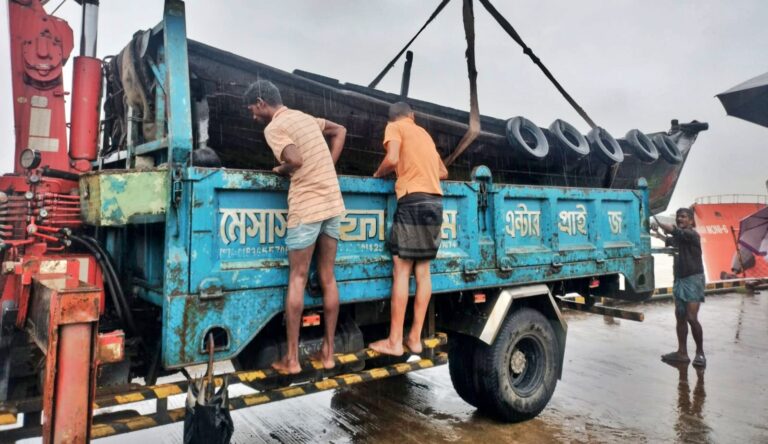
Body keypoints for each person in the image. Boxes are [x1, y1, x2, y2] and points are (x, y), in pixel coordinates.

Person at [245, 80, 347, 374]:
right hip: (332, 203)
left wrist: (281, 169)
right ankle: (328, 354)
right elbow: (340, 130)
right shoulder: (305, 117)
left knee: (298, 278)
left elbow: (295, 159)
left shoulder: (274, 128)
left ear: (262, 102)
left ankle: (291, 360)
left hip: (307, 206)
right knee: (327, 276)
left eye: (253, 110)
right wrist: (328, 165)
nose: (253, 117)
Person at [369, 102, 448, 357]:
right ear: (412, 116)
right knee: (423, 271)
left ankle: (394, 341)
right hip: (434, 201)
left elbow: (391, 159)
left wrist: (378, 173)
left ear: (393, 118)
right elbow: (443, 172)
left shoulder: (394, 127)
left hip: (412, 199)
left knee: (401, 270)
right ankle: (414, 339)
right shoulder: (424, 134)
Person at [651, 208, 707, 368]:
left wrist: (660, 223)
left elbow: (674, 231)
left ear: (690, 221)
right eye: (678, 217)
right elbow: (668, 239)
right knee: (680, 316)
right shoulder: (680, 237)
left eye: (683, 217)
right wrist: (657, 232)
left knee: (691, 318)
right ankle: (682, 352)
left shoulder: (692, 235)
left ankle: (700, 353)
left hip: (693, 279)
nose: (679, 219)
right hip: (679, 279)